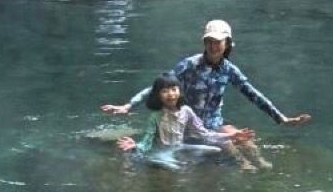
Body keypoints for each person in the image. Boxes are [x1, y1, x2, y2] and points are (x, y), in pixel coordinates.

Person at [101, 19, 311, 145]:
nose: (213, 46)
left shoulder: (229, 70)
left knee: (247, 143)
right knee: (230, 146)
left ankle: (263, 172)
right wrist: (129, 105)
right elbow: (158, 87)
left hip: (214, 125)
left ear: (227, 44)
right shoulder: (189, 65)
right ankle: (244, 174)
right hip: (188, 126)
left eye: (217, 42)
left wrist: (282, 119)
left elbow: (253, 95)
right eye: (209, 41)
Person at [116, 72, 260, 167]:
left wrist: (232, 135)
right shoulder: (155, 116)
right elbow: (147, 141)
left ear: (179, 91)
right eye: (164, 91)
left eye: (173, 89)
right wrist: (136, 146)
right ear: (158, 95)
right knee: (177, 168)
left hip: (180, 147)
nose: (170, 94)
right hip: (162, 151)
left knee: (215, 150)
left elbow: (204, 134)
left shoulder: (187, 111)